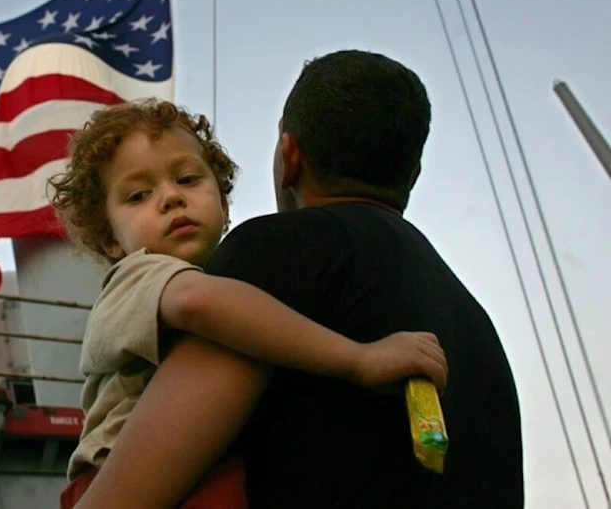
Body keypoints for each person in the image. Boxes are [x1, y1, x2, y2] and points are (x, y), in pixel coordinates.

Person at [74, 50, 524, 509]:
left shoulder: (276, 254)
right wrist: (358, 359)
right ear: (412, 175)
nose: (170, 198)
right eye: (139, 194)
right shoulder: (476, 327)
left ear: (289, 157)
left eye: (188, 179)